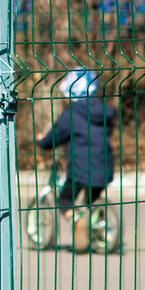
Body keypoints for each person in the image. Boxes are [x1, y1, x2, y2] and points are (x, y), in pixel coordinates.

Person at [36, 67, 116, 253]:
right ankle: (101, 230)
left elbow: (54, 137)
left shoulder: (70, 114)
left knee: (65, 200)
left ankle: (77, 220)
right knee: (93, 199)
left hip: (81, 167)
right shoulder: (105, 112)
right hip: (104, 166)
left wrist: (41, 142)